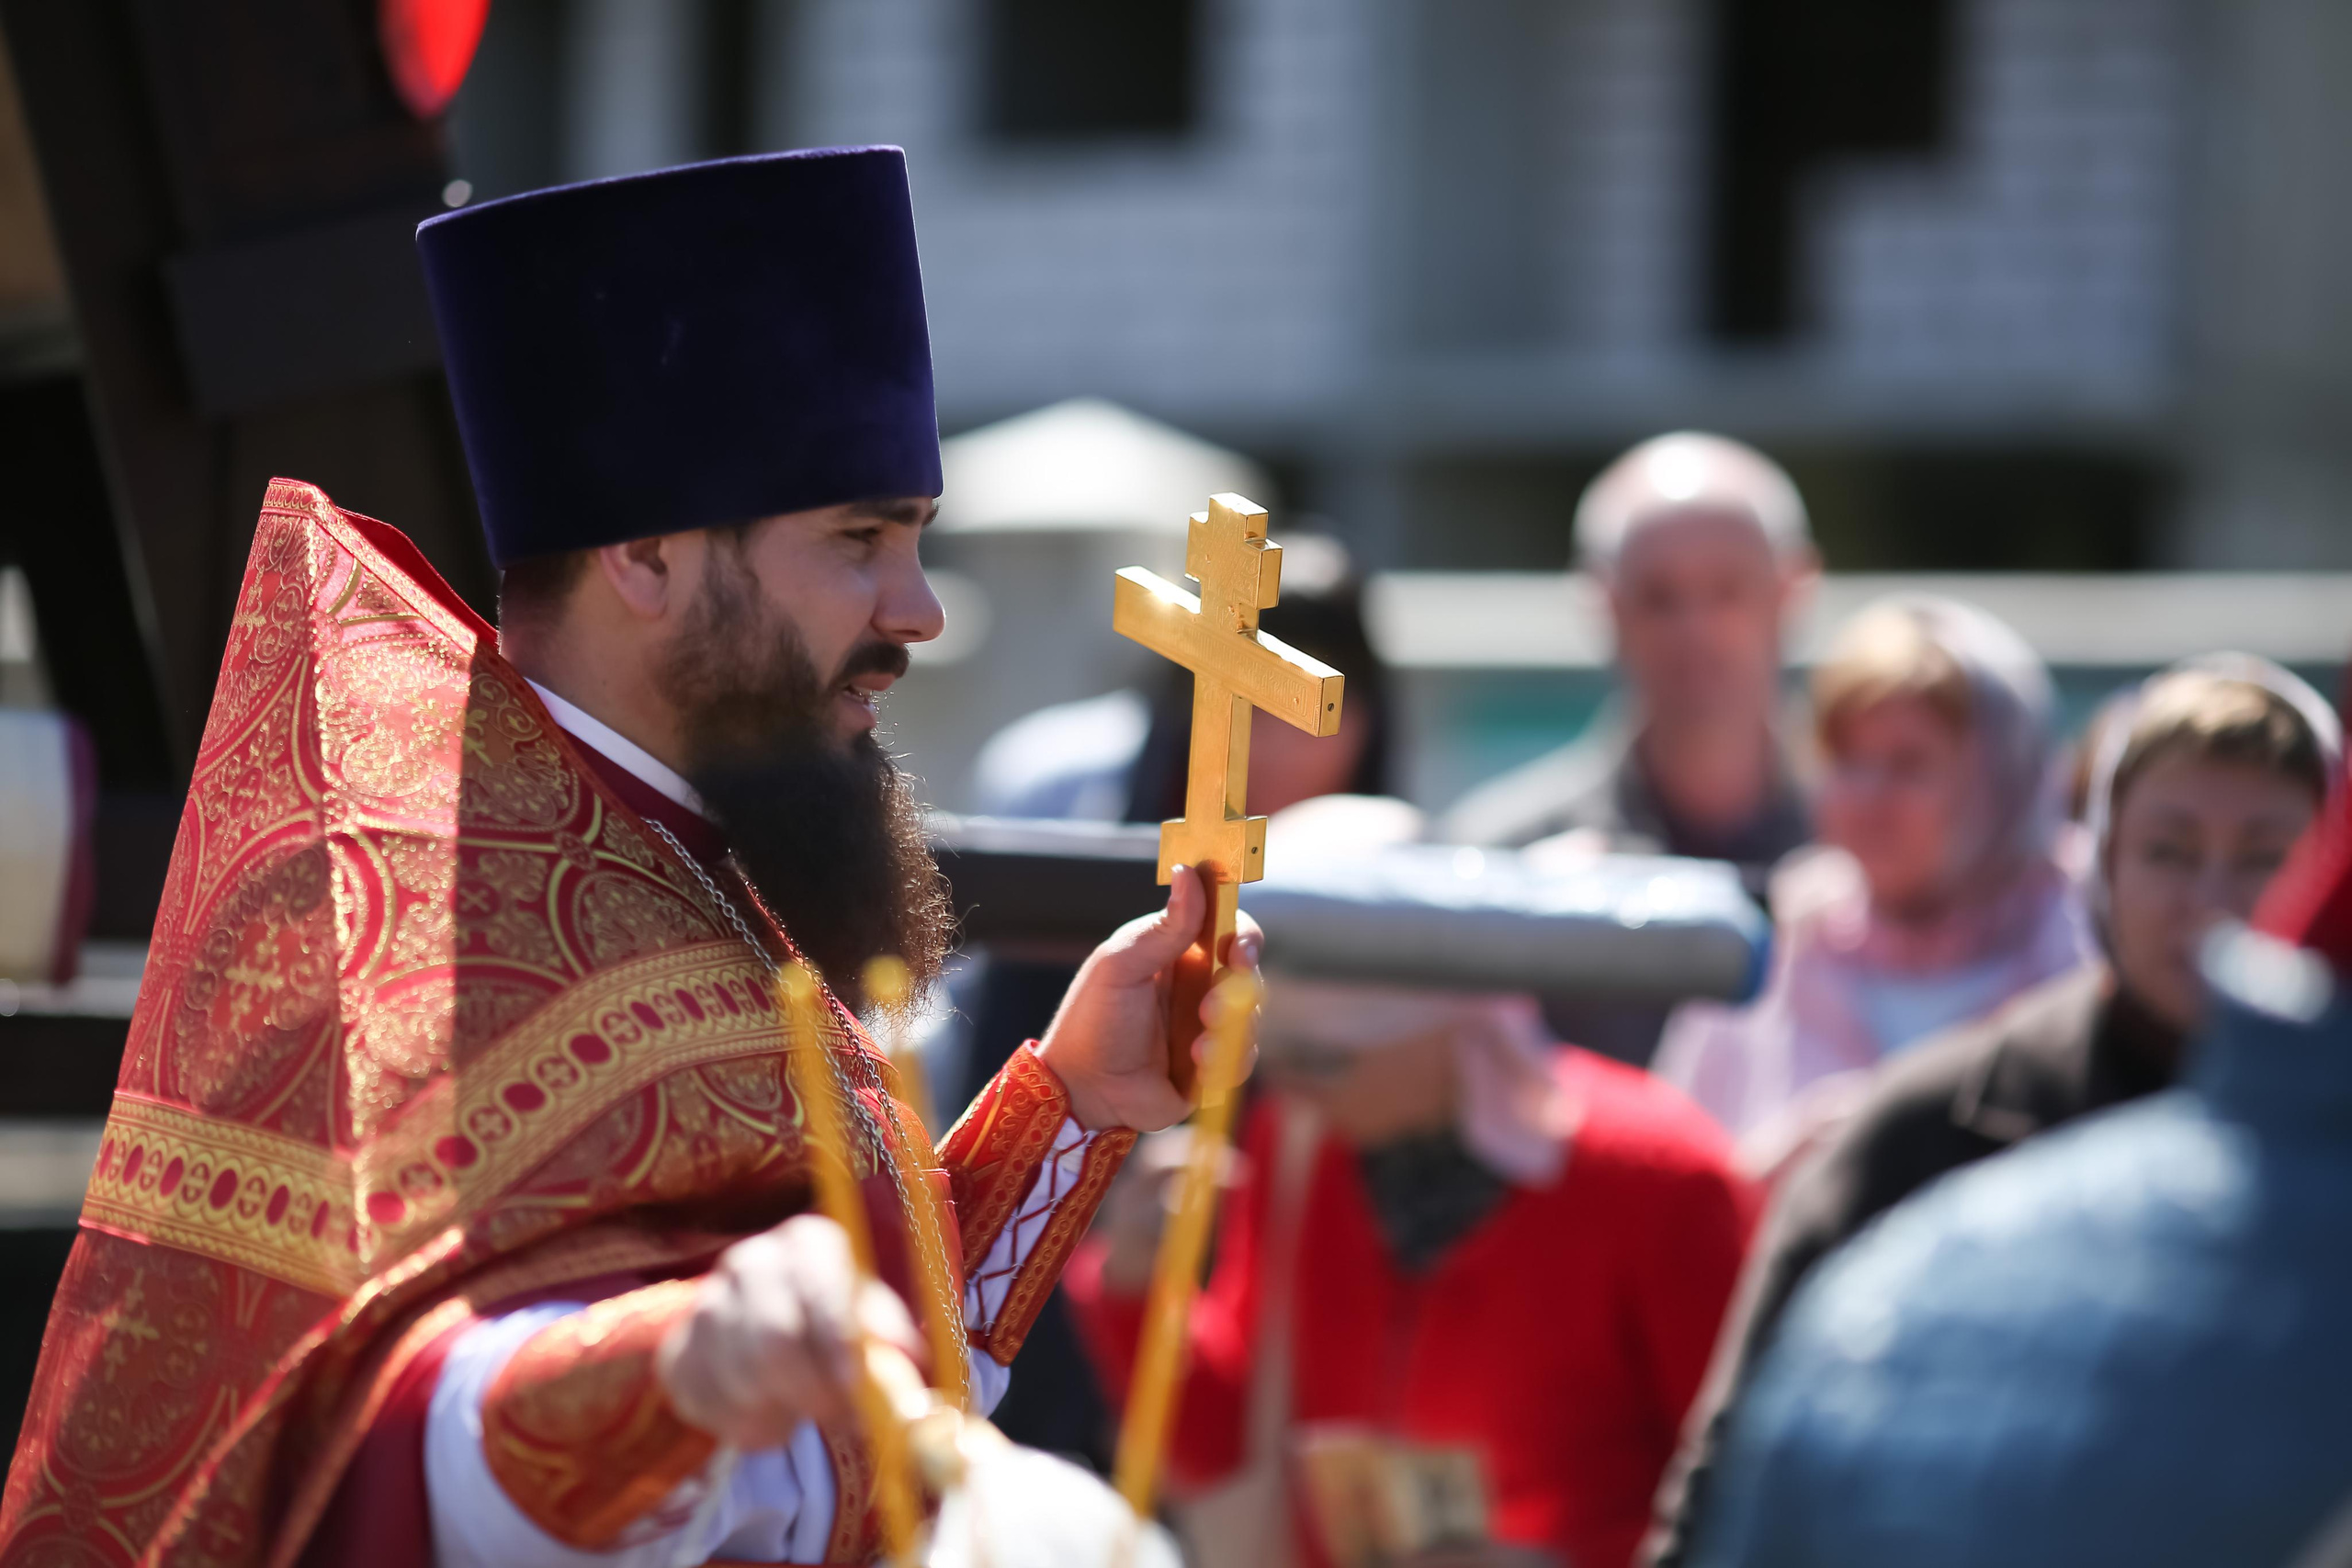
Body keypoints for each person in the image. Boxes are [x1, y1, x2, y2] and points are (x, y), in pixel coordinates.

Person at [0, 150, 1260, 1568]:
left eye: (914, 539)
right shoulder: (422, 902)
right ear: (647, 555)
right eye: (859, 539)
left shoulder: (691, 846)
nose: (917, 610)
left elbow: (844, 1404)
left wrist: (1075, 1102)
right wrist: (674, 1370)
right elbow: (408, 1418)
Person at [1645, 656, 2341, 1567]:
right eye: (2167, 851)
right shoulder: (1923, 1131)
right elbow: (1734, 1489)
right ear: (2100, 866)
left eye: (2266, 857)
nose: (2211, 901)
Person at [1067, 803, 1758, 1568]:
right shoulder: (1303, 1150)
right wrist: (1141, 1289)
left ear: (1439, 1024)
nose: (1291, 1093)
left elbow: (1749, 1493)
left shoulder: (1658, 1180)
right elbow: (1237, 1439)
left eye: (1320, 1060)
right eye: (1272, 1066)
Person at [947, 543, 1394, 1472]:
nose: (1265, 739)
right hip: (1073, 1351)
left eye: (1302, 704)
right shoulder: (1077, 908)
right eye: (1234, 706)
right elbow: (1010, 1105)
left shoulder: (1408, 900)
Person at [1654, 597, 2096, 1169]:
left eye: (1909, 764)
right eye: (1845, 759)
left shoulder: (2089, 941)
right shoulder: (1773, 944)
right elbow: (1672, 1192)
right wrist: (1768, 1183)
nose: (1867, 796)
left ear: (2001, 777)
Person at [1439, 433, 1816, 1065]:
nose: (1695, 628)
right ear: (1604, 604)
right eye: (1659, 596)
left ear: (1791, 592)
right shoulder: (1495, 860)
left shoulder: (1880, 844)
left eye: (1727, 589)